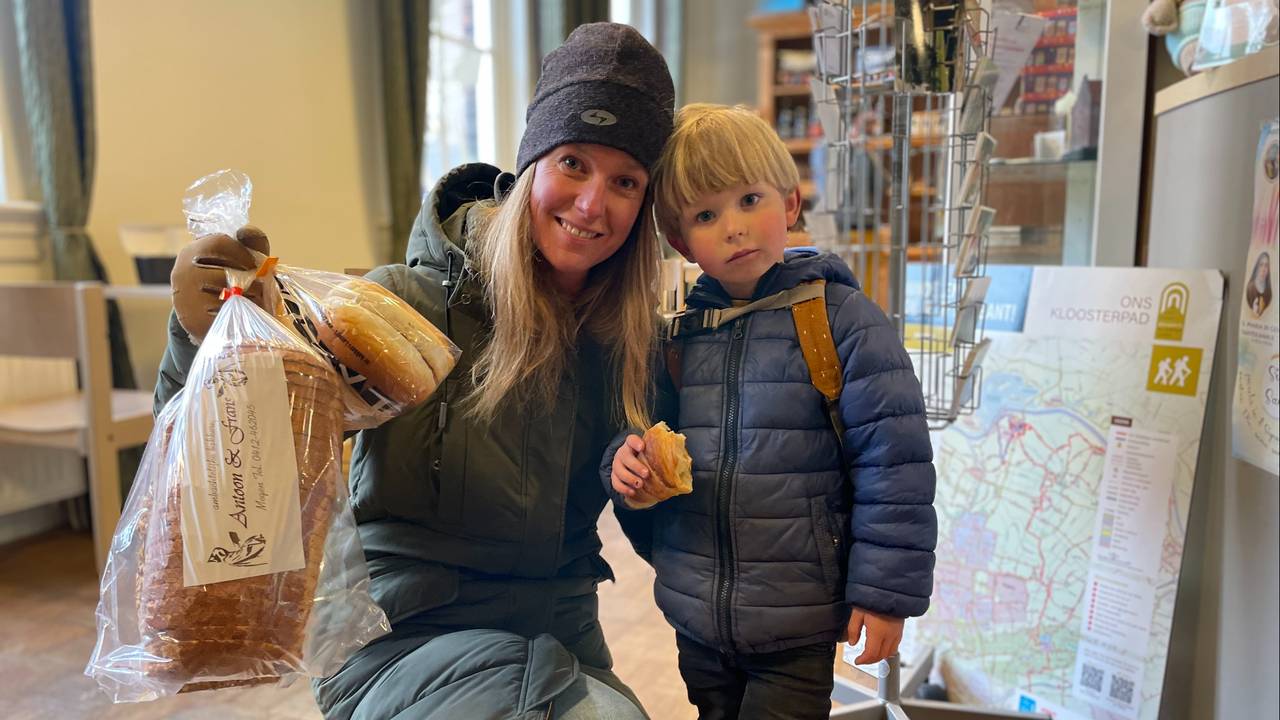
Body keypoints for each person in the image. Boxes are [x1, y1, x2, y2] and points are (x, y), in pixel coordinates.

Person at [156, 23, 675, 719]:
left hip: (560, 634)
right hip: (395, 634)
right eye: (573, 163)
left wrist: (648, 487)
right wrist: (201, 338)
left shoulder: (626, 341)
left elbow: (667, 532)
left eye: (625, 181)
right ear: (529, 170)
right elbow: (234, 462)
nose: (592, 204)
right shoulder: (398, 306)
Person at [604, 104, 937, 720]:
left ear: (788, 204)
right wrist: (622, 468)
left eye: (749, 199)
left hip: (799, 614)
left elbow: (896, 464)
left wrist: (886, 595)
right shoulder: (676, 336)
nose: (734, 227)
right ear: (681, 240)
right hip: (696, 610)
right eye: (707, 214)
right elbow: (637, 434)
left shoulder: (839, 319)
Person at [1246, 251, 1272, 318]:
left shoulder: (1269, 291)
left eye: (1266, 265)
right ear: (1257, 267)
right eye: (1261, 265)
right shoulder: (1250, 288)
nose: (1263, 269)